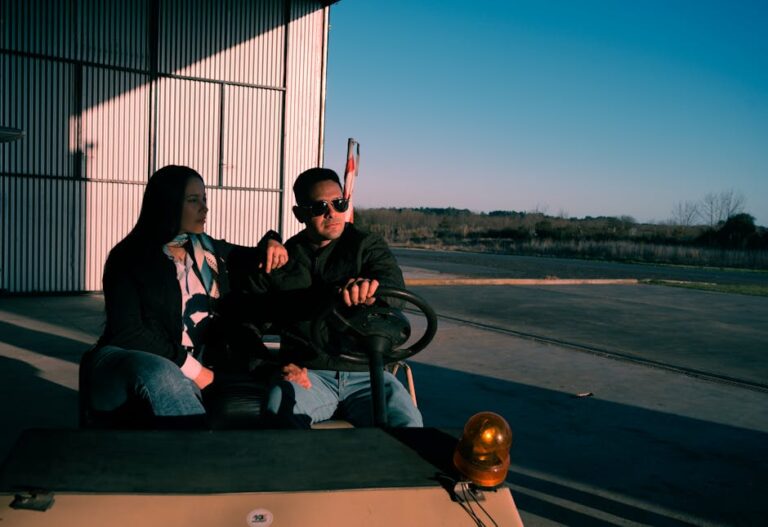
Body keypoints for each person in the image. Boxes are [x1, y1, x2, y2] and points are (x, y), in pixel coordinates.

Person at [79, 165, 287, 428]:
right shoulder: (128, 257)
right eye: (193, 200)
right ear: (166, 204)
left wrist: (273, 241)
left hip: (185, 362)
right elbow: (128, 333)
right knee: (162, 372)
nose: (204, 208)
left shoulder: (207, 250)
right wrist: (195, 370)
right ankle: (199, 458)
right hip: (126, 358)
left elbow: (258, 254)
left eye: (204, 199)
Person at [249, 167, 423, 428]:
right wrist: (273, 368)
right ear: (300, 214)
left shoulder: (367, 245)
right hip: (310, 376)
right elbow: (248, 321)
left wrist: (372, 290)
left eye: (338, 203)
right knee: (278, 411)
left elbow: (393, 288)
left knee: (407, 424)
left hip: (366, 372)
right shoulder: (281, 260)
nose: (332, 213)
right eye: (319, 207)